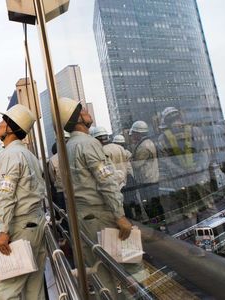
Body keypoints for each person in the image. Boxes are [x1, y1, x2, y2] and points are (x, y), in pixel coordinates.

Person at [58, 98, 134, 298]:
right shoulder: (89, 143)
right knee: (128, 269)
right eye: (82, 110)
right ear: (77, 118)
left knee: (100, 274)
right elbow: (106, 180)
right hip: (101, 217)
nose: (86, 111)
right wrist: (119, 215)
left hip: (82, 219)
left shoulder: (66, 147)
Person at [0, 104, 46, 300]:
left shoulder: (10, 155)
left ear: (11, 128)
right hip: (36, 223)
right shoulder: (28, 154)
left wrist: (4, 231)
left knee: (7, 288)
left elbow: (6, 195)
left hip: (20, 226)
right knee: (34, 287)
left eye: (4, 121)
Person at [157, 107, 213, 226]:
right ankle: (215, 230)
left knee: (189, 211)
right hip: (200, 177)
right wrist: (199, 170)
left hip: (182, 180)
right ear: (179, 117)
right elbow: (205, 152)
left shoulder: (162, 138)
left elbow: (166, 161)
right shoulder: (196, 130)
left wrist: (182, 172)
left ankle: (193, 238)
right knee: (208, 206)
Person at [129, 121, 163, 223]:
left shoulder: (143, 146)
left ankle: (157, 226)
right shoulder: (148, 142)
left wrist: (130, 160)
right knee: (155, 204)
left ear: (138, 133)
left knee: (150, 206)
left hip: (147, 181)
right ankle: (162, 224)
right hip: (152, 179)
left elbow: (136, 165)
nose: (132, 136)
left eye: (134, 133)